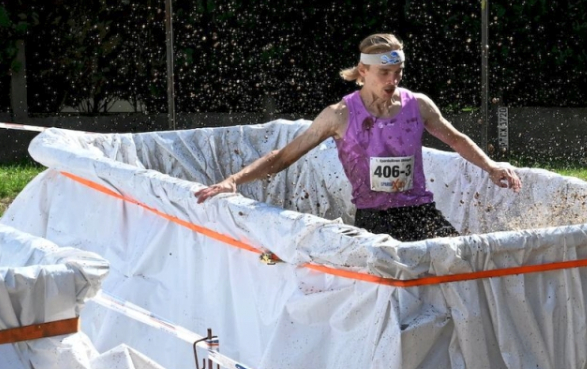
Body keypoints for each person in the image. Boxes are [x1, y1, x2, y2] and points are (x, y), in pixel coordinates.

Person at [194, 33, 520, 240]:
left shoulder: (418, 105)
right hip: (375, 219)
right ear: (363, 71)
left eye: (398, 73)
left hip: (420, 210)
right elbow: (282, 157)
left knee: (461, 264)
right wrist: (233, 181)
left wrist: (491, 166)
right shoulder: (339, 115)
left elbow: (456, 139)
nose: (392, 80)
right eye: (384, 73)